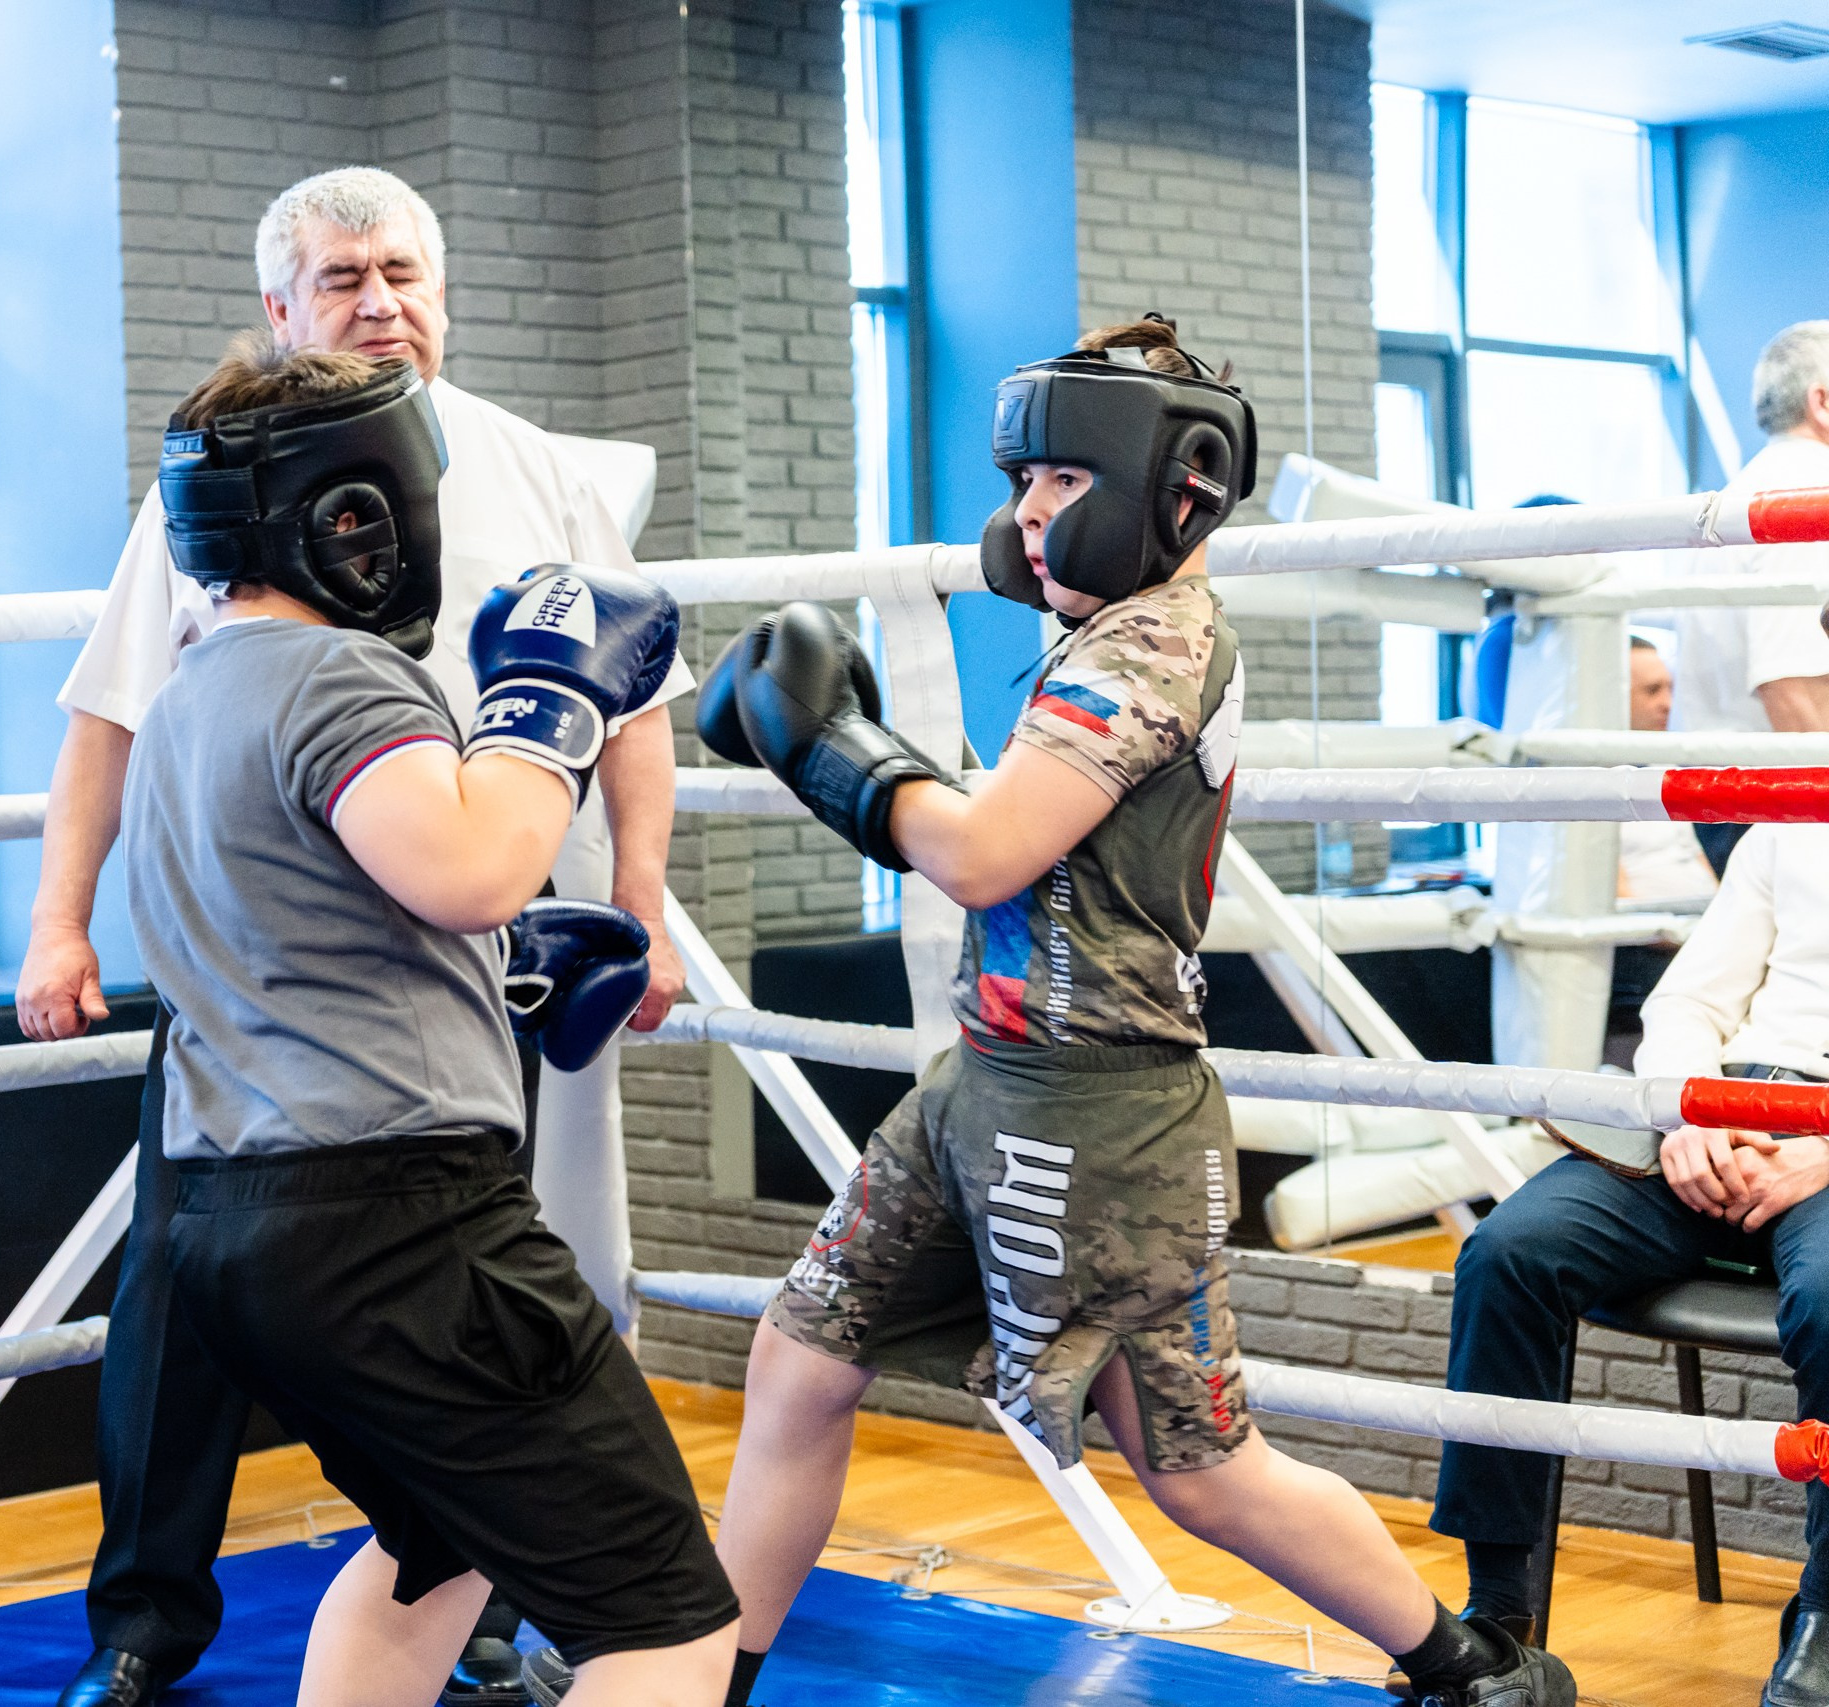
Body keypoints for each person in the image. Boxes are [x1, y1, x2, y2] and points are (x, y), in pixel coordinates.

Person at [535, 318, 1573, 1707]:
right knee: (801, 1354)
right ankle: (709, 1672)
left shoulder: (1144, 651)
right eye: (1024, 478)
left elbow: (977, 851)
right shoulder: (1102, 616)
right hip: (991, 1081)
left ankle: (1464, 1667)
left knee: (1200, 1468)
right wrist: (981, 585)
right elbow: (998, 708)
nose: (1027, 510)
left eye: (1062, 482)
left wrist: (829, 745)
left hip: (1106, 1117)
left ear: (1172, 483)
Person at [31, 167, 692, 1707]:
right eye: (341, 278)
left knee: (517, 1304)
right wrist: (60, 917)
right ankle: (147, 1625)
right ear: (280, 311)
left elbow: (639, 711)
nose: (378, 298)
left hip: (484, 970)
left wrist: (643, 901)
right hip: (317, 981)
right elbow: (113, 716)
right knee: (230, 1309)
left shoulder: (532, 470)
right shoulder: (248, 531)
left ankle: (498, 1580)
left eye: (403, 271)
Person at [1436, 792, 1829, 1707]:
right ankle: (1500, 1612)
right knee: (1509, 1254)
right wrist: (1689, 1106)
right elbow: (1689, 999)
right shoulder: (1794, 820)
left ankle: (1824, 1614)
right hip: (1722, 1113)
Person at [1671, 321, 1829, 875]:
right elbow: (1793, 689)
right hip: (1785, 800)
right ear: (1823, 402)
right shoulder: (1809, 495)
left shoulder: (1743, 492)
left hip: (1742, 795)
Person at [1618, 635, 1717, 907]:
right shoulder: (1585, 782)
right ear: (1612, 696)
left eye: (1669, 689)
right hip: (1650, 942)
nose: (1667, 704)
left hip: (1699, 928)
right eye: (1652, 690)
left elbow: (1695, 854)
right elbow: (1611, 896)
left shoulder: (1664, 764)